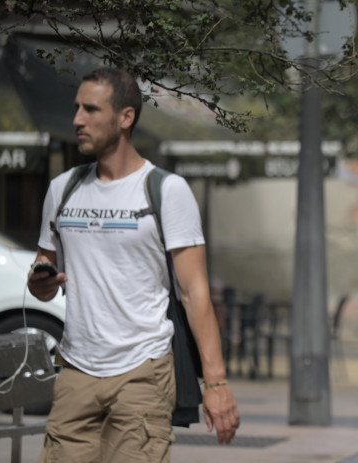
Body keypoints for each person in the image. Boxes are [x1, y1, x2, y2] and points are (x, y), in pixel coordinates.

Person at [27, 68, 240, 462]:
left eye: (91, 109)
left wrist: (216, 383)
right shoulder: (63, 189)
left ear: (126, 117)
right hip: (76, 368)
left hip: (143, 369)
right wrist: (40, 281)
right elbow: (47, 261)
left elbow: (195, 294)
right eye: (77, 108)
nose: (77, 120)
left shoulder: (167, 191)